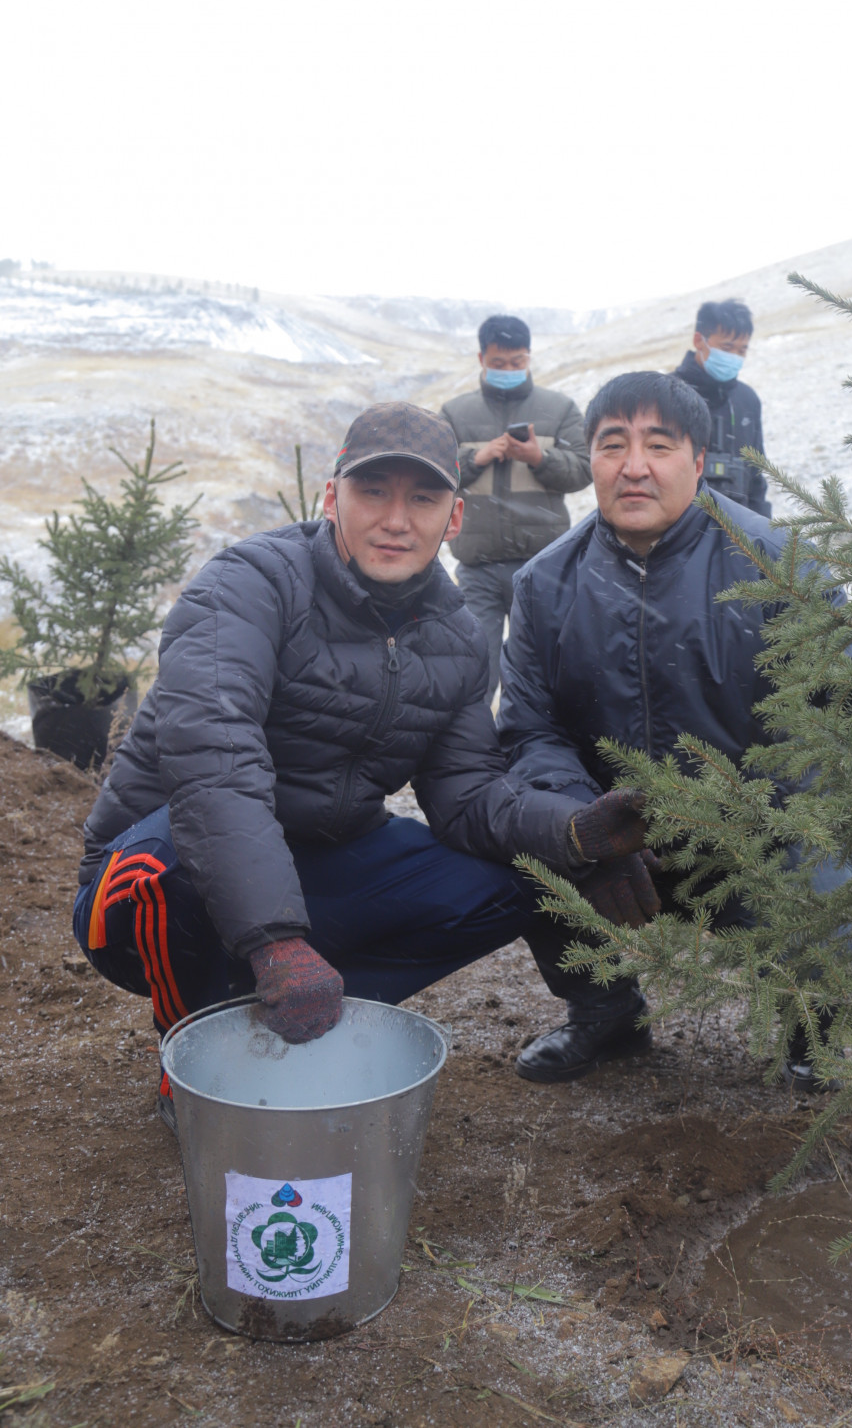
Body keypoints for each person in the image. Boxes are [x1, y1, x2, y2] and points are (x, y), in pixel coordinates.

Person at [72, 402, 619, 1123]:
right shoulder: (248, 586)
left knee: (511, 879)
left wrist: (574, 832)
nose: (397, 519)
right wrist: (274, 939)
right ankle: (197, 1058)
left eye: (422, 498)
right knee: (163, 866)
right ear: (333, 498)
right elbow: (216, 769)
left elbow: (465, 796)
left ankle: (293, 1017)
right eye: (373, 492)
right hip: (146, 877)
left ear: (453, 519)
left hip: (324, 859)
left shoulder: (457, 638)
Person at [497, 370, 852, 1086]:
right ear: (592, 461)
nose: (634, 466)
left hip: (757, 828)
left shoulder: (778, 564)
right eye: (613, 445)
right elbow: (530, 732)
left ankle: (811, 1034)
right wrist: (588, 829)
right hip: (619, 843)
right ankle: (605, 1011)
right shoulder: (545, 584)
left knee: (836, 936)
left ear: (700, 461)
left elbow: (846, 697)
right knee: (513, 841)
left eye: (659, 445)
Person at [441, 314, 591, 698]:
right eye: (498, 363)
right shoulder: (455, 414)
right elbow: (434, 476)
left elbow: (585, 470)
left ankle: (534, 751)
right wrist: (477, 458)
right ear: (481, 359)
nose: (508, 370)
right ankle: (476, 753)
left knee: (542, 675)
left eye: (517, 362)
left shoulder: (559, 409)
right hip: (477, 568)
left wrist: (540, 457)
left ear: (528, 357)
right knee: (474, 672)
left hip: (543, 568)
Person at [673, 298, 771, 518]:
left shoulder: (747, 400)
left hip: (740, 532)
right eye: (727, 347)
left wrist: (762, 530)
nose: (734, 357)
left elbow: (756, 477)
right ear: (699, 340)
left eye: (742, 350)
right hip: (679, 532)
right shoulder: (667, 394)